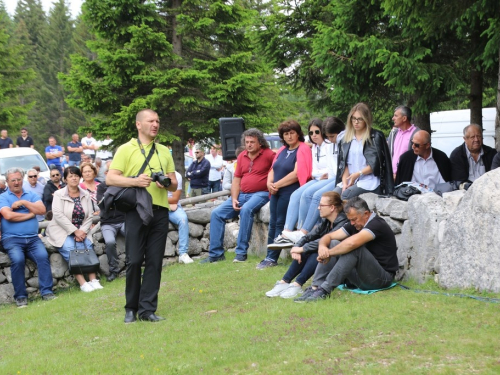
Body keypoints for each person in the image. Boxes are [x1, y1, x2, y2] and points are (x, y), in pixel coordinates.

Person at [107, 108, 177, 324]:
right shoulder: (126, 149)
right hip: (136, 212)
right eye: (150, 121)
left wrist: (166, 182)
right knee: (135, 260)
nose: (155, 124)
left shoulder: (164, 151)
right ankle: (131, 308)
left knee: (155, 262)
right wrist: (135, 181)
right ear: (139, 124)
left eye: (157, 121)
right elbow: (110, 178)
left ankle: (147, 310)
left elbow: (174, 183)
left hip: (160, 212)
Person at [295, 196, 398, 302]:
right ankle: (315, 288)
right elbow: (328, 237)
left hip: (382, 279)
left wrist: (329, 253)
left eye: (354, 219)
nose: (352, 223)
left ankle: (324, 290)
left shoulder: (377, 224)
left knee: (355, 249)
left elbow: (352, 244)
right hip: (362, 277)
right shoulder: (355, 223)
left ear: (366, 214)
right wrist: (322, 247)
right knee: (333, 243)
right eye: (350, 220)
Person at [202, 128, 275, 263]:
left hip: (262, 193)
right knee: (217, 213)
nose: (249, 145)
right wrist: (234, 198)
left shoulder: (269, 155)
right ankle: (215, 254)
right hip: (242, 194)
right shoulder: (242, 156)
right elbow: (237, 179)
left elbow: (277, 171)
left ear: (260, 143)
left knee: (247, 209)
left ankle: (241, 253)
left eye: (252, 142)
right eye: (246, 142)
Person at [274, 117, 345, 246]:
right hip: (319, 178)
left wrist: (320, 174)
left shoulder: (329, 146)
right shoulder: (314, 148)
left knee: (314, 195)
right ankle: (287, 231)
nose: (314, 135)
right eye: (311, 133)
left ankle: (303, 231)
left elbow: (332, 171)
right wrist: (318, 174)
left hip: (333, 178)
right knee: (296, 194)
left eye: (317, 132)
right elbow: (314, 172)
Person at [265, 192, 348, 298]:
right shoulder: (326, 221)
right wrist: (296, 247)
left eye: (321, 205)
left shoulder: (343, 221)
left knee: (315, 250)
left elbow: (325, 241)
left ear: (332, 207)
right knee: (309, 248)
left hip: (340, 262)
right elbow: (308, 237)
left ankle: (297, 284)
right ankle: (284, 282)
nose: (318, 208)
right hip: (329, 259)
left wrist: (302, 249)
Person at [257, 120, 312, 270]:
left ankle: (272, 258)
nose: (289, 136)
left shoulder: (303, 149)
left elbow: (297, 173)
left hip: (290, 191)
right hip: (276, 191)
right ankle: (269, 256)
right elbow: (273, 169)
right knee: (273, 221)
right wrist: (269, 183)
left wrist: (277, 185)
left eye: (292, 133)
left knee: (280, 223)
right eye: (286, 134)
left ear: (298, 133)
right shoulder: (282, 150)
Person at [0, 168, 56, 308]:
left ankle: (47, 292)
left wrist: (24, 203)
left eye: (19, 179)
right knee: (17, 259)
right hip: (12, 239)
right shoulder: (3, 197)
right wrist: (30, 214)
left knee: (43, 257)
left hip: (32, 238)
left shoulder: (30, 194)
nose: (16, 182)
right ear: (7, 182)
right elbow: (8, 216)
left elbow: (42, 210)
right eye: (13, 180)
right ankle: (20, 297)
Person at [45, 166, 103, 292]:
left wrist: (81, 231)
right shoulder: (59, 194)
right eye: (70, 176)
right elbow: (58, 215)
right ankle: (83, 283)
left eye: (76, 175)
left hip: (82, 230)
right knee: (71, 248)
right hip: (62, 230)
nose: (74, 178)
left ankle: (93, 280)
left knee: (87, 245)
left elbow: (89, 215)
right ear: (65, 179)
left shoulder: (85, 194)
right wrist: (74, 231)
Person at [334, 103, 394, 199]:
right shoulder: (345, 138)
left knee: (345, 196)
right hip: (350, 179)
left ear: (366, 120)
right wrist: (345, 183)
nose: (356, 122)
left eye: (360, 119)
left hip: (369, 180)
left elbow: (376, 165)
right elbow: (345, 165)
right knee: (332, 197)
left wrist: (358, 174)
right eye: (353, 118)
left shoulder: (375, 137)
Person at [96, 161, 126, 282]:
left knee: (133, 237)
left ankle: (133, 267)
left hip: (124, 219)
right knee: (109, 242)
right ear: (106, 173)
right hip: (108, 222)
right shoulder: (102, 186)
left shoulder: (124, 185)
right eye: (110, 171)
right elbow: (102, 204)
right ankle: (114, 270)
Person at [388, 106, 420, 179]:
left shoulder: (416, 133)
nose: (393, 118)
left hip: (408, 176)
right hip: (392, 177)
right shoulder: (394, 133)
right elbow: (390, 154)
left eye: (396, 116)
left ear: (404, 118)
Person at [168, 171, 193, 264]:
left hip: (173, 208)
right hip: (158, 206)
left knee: (183, 219)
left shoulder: (177, 175)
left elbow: (175, 199)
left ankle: (183, 254)